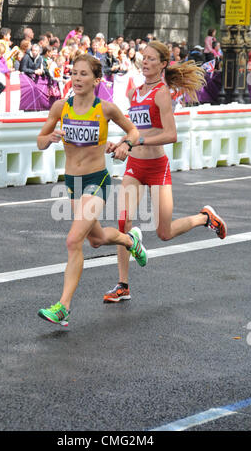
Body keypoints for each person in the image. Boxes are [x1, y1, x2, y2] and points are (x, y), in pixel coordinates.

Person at [103, 40, 227, 303]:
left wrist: (138, 141)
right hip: (134, 166)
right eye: (143, 58)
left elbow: (171, 134)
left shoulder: (162, 93)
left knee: (164, 233)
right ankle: (123, 285)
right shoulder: (134, 93)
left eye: (151, 59)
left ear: (162, 64)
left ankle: (205, 218)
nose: (145, 62)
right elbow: (134, 131)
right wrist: (121, 142)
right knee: (123, 221)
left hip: (157, 167)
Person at [37, 53, 148, 326]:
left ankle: (63, 307)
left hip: (96, 180)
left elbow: (134, 132)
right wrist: (48, 138)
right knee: (96, 239)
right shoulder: (60, 107)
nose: (77, 78)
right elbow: (40, 141)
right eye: (74, 73)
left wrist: (125, 145)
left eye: (84, 74)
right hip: (72, 182)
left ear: (97, 80)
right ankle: (130, 241)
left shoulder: (106, 109)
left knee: (73, 240)